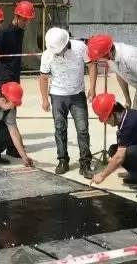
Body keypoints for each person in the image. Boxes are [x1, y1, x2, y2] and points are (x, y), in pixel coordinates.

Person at [39, 27, 95, 179]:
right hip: (57, 96)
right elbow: (43, 77)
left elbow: (91, 65)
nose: (56, 53)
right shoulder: (47, 54)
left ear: (66, 44)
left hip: (78, 95)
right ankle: (63, 161)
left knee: (82, 130)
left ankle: (85, 164)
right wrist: (44, 99)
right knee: (60, 129)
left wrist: (92, 88)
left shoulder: (80, 47)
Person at [0, 0, 36, 158]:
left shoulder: (21, 31)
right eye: (25, 19)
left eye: (28, 20)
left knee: (12, 111)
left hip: (15, 76)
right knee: (7, 112)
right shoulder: (4, 33)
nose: (27, 23)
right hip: (5, 77)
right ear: (17, 16)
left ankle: (10, 145)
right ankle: (9, 146)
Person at [87, 34, 137, 122]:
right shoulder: (111, 57)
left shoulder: (129, 57)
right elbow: (120, 75)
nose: (98, 60)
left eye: (99, 58)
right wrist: (127, 99)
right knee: (134, 121)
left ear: (108, 53)